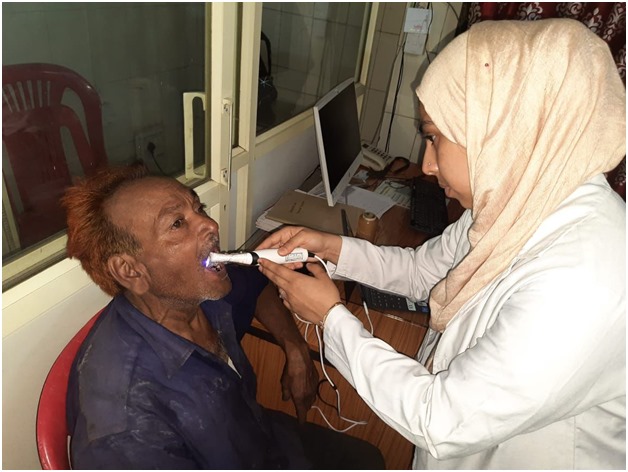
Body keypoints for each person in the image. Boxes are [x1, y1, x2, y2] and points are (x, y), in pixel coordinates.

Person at [256, 18, 626, 470]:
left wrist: (331, 319)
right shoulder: (519, 205)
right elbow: (422, 271)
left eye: (434, 137)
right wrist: (331, 246)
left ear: (505, 128)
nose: (427, 165)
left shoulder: (585, 277)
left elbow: (442, 418)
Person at [62, 164, 385, 469]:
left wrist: (295, 347)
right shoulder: (122, 429)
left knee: (369, 458)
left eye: (198, 209)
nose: (211, 225)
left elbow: (256, 287)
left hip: (267, 441)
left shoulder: (196, 292)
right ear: (130, 270)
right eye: (177, 223)